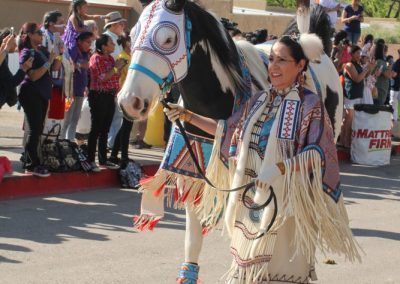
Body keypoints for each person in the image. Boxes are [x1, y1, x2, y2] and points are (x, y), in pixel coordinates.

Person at [164, 34, 361, 283]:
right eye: (271, 59)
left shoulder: (309, 105)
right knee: (246, 272)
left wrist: (280, 169)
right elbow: (228, 131)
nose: (274, 66)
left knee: (278, 276)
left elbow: (317, 153)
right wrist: (188, 116)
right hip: (251, 203)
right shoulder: (258, 101)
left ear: (300, 65)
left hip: (286, 208)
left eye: (282, 60)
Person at [18, 22, 62, 177]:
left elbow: (54, 68)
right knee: (34, 129)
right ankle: (31, 164)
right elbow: (33, 76)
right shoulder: (27, 52)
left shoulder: (42, 49)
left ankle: (29, 159)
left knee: (38, 129)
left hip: (42, 94)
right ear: (29, 34)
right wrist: (49, 60)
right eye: (38, 32)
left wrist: (59, 55)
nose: (41, 34)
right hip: (31, 93)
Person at [87, 34, 125, 172]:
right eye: (111, 43)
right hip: (98, 96)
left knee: (105, 129)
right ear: (103, 46)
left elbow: (115, 76)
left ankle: (103, 159)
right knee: (96, 128)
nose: (114, 45)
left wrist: (118, 68)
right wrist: (116, 68)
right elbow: (102, 77)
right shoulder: (96, 58)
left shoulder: (109, 58)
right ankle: (90, 160)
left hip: (109, 96)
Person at [339, 45, 375, 148]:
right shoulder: (349, 65)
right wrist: (366, 69)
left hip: (357, 96)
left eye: (360, 53)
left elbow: (364, 77)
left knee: (351, 120)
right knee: (348, 120)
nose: (360, 55)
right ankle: (344, 142)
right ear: (351, 54)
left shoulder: (357, 65)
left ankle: (346, 142)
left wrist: (369, 69)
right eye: (357, 53)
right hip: (351, 96)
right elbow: (357, 79)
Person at [61, 32, 93, 141]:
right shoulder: (73, 50)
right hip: (70, 92)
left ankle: (69, 142)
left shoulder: (85, 54)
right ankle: (61, 142)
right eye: (87, 42)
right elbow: (68, 65)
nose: (90, 45)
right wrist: (80, 65)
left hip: (80, 91)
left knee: (75, 119)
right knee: (67, 119)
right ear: (79, 41)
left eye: (91, 42)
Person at [103, 11, 127, 149]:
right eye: (120, 23)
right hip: (109, 81)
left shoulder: (116, 39)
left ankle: (112, 142)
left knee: (116, 114)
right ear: (113, 25)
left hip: (116, 80)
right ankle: (110, 142)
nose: (122, 26)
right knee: (110, 114)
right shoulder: (107, 39)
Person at [109, 34, 133, 168]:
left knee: (126, 125)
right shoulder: (123, 58)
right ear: (127, 43)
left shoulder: (130, 57)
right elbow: (118, 76)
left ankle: (115, 154)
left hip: (130, 94)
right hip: (125, 94)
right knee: (126, 126)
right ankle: (123, 156)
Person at [0, 28, 33, 109]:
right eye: (14, 42)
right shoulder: (3, 56)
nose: (16, 45)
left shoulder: (5, 56)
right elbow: (10, 82)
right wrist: (24, 69)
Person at [373, 40, 392, 105]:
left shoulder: (378, 61)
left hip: (379, 90)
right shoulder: (380, 62)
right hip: (379, 90)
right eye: (385, 50)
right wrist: (390, 64)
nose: (386, 52)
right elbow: (388, 75)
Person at [390, 49, 400, 121]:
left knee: (394, 108)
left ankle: (395, 126)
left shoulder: (397, 63)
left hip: (396, 88)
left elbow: (393, 74)